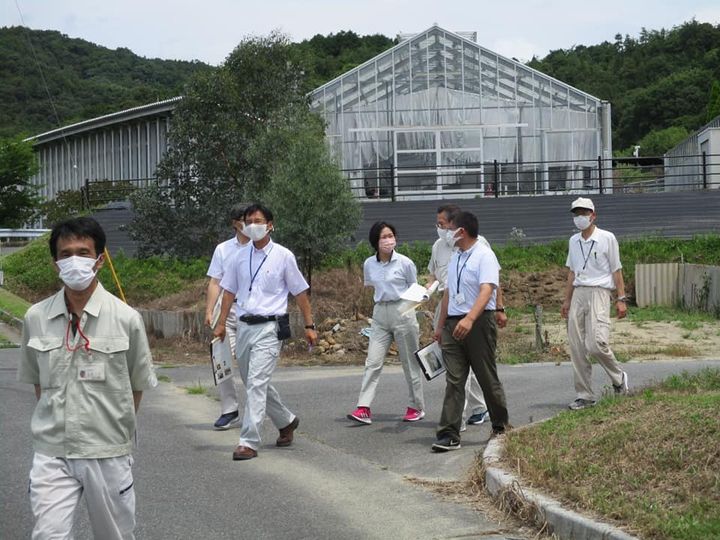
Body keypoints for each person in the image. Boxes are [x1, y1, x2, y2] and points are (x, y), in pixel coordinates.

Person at [17, 217, 156, 539]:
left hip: (107, 452)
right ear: (55, 263)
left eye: (83, 251)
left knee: (114, 536)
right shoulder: (35, 317)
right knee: (48, 534)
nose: (74, 260)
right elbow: (39, 383)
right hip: (53, 451)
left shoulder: (126, 319)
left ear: (100, 260)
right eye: (66, 254)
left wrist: (109, 427)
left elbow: (136, 386)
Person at [214, 203, 318, 460]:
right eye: (249, 221)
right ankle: (286, 421)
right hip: (244, 326)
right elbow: (228, 291)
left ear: (270, 225)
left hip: (271, 328)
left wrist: (309, 325)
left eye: (258, 221)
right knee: (253, 383)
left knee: (257, 383)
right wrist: (220, 322)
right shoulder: (238, 256)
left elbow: (300, 292)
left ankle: (248, 441)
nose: (253, 225)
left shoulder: (283, 256)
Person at [432, 211, 510, 452]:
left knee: (486, 375)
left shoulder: (484, 255)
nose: (445, 232)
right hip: (453, 323)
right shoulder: (456, 255)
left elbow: (487, 289)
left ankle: (501, 426)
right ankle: (449, 433)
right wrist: (440, 324)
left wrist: (470, 318)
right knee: (454, 379)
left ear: (461, 231)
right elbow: (447, 292)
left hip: (477, 322)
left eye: (449, 227)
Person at [347, 221, 426, 425]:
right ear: (375, 241)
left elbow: (414, 288)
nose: (388, 240)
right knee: (372, 362)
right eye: (383, 237)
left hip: (403, 310)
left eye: (391, 235)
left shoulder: (405, 263)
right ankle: (363, 407)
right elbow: (371, 286)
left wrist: (412, 306)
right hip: (380, 312)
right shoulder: (369, 264)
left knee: (409, 362)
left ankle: (416, 406)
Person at [562, 197, 629, 410]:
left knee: (596, 343)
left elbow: (616, 270)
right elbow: (572, 272)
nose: (580, 218)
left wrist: (621, 299)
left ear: (593, 215)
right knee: (577, 346)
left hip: (600, 292)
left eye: (584, 213)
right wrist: (567, 300)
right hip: (579, 293)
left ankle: (618, 377)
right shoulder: (574, 241)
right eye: (576, 214)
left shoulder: (607, 238)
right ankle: (585, 394)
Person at [205, 203, 250, 430]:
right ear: (235, 222)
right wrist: (209, 309)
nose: (249, 224)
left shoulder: (262, 247)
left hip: (251, 314)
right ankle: (229, 409)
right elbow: (215, 281)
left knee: (247, 366)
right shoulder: (223, 249)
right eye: (244, 219)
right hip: (226, 315)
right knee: (220, 360)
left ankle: (254, 410)